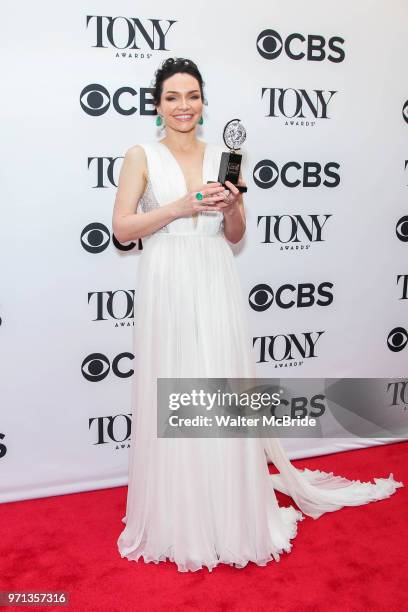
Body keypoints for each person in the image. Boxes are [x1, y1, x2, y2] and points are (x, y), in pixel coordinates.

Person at [112, 57, 404, 573]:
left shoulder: (226, 156)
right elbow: (122, 230)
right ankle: (180, 513)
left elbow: (237, 235)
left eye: (193, 96)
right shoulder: (140, 156)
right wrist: (179, 207)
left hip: (214, 276)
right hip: (165, 280)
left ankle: (226, 507)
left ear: (204, 103)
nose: (184, 106)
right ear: (157, 104)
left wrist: (229, 207)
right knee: (173, 383)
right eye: (173, 97)